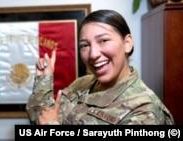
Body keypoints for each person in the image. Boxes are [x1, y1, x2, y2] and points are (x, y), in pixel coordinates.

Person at [26, 9, 174, 125]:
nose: (93, 54)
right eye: (85, 45)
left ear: (127, 43)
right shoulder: (81, 84)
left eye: (103, 40)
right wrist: (43, 79)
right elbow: (39, 119)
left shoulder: (144, 110)